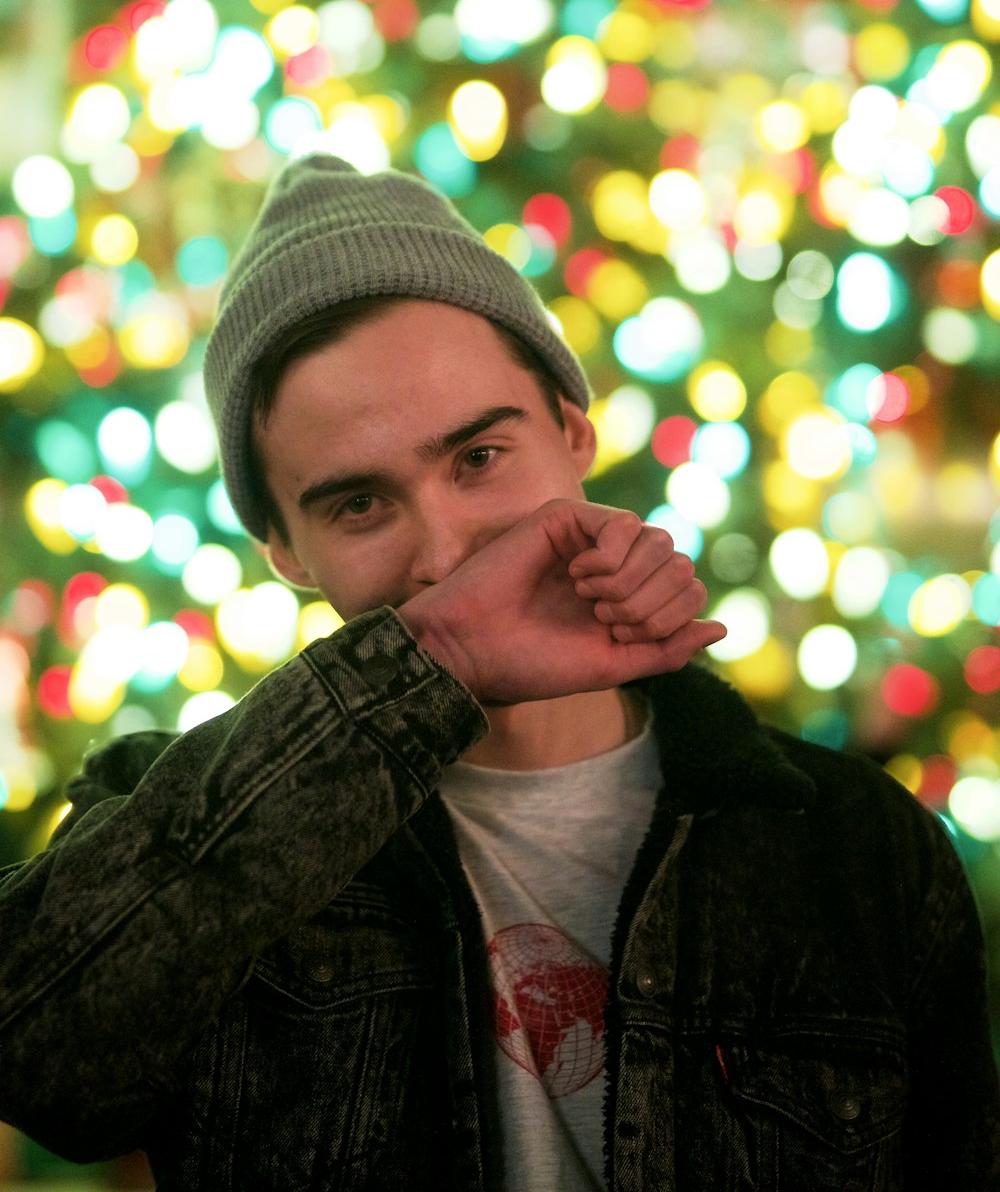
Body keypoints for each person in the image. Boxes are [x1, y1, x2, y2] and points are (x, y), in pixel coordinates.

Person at [0, 155, 997, 1191]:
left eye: (478, 458)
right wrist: (436, 662)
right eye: (358, 506)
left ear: (572, 429)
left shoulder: (854, 848)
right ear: (285, 554)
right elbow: (37, 1055)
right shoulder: (180, 823)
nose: (444, 552)